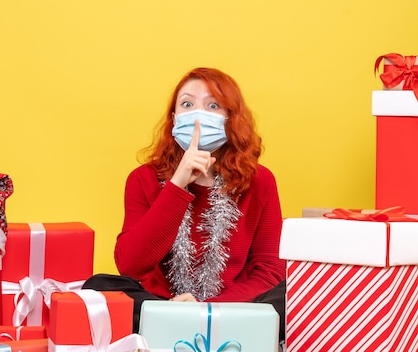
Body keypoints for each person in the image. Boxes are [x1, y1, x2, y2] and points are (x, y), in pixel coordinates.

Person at [83, 67, 286, 340]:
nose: (198, 115)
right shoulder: (142, 179)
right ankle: (181, 324)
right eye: (188, 104)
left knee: (292, 293)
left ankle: (192, 326)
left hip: (234, 307)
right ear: (175, 118)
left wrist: (207, 310)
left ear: (230, 118)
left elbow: (269, 269)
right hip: (162, 305)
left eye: (212, 105)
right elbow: (130, 266)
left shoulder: (259, 181)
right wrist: (177, 184)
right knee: (98, 288)